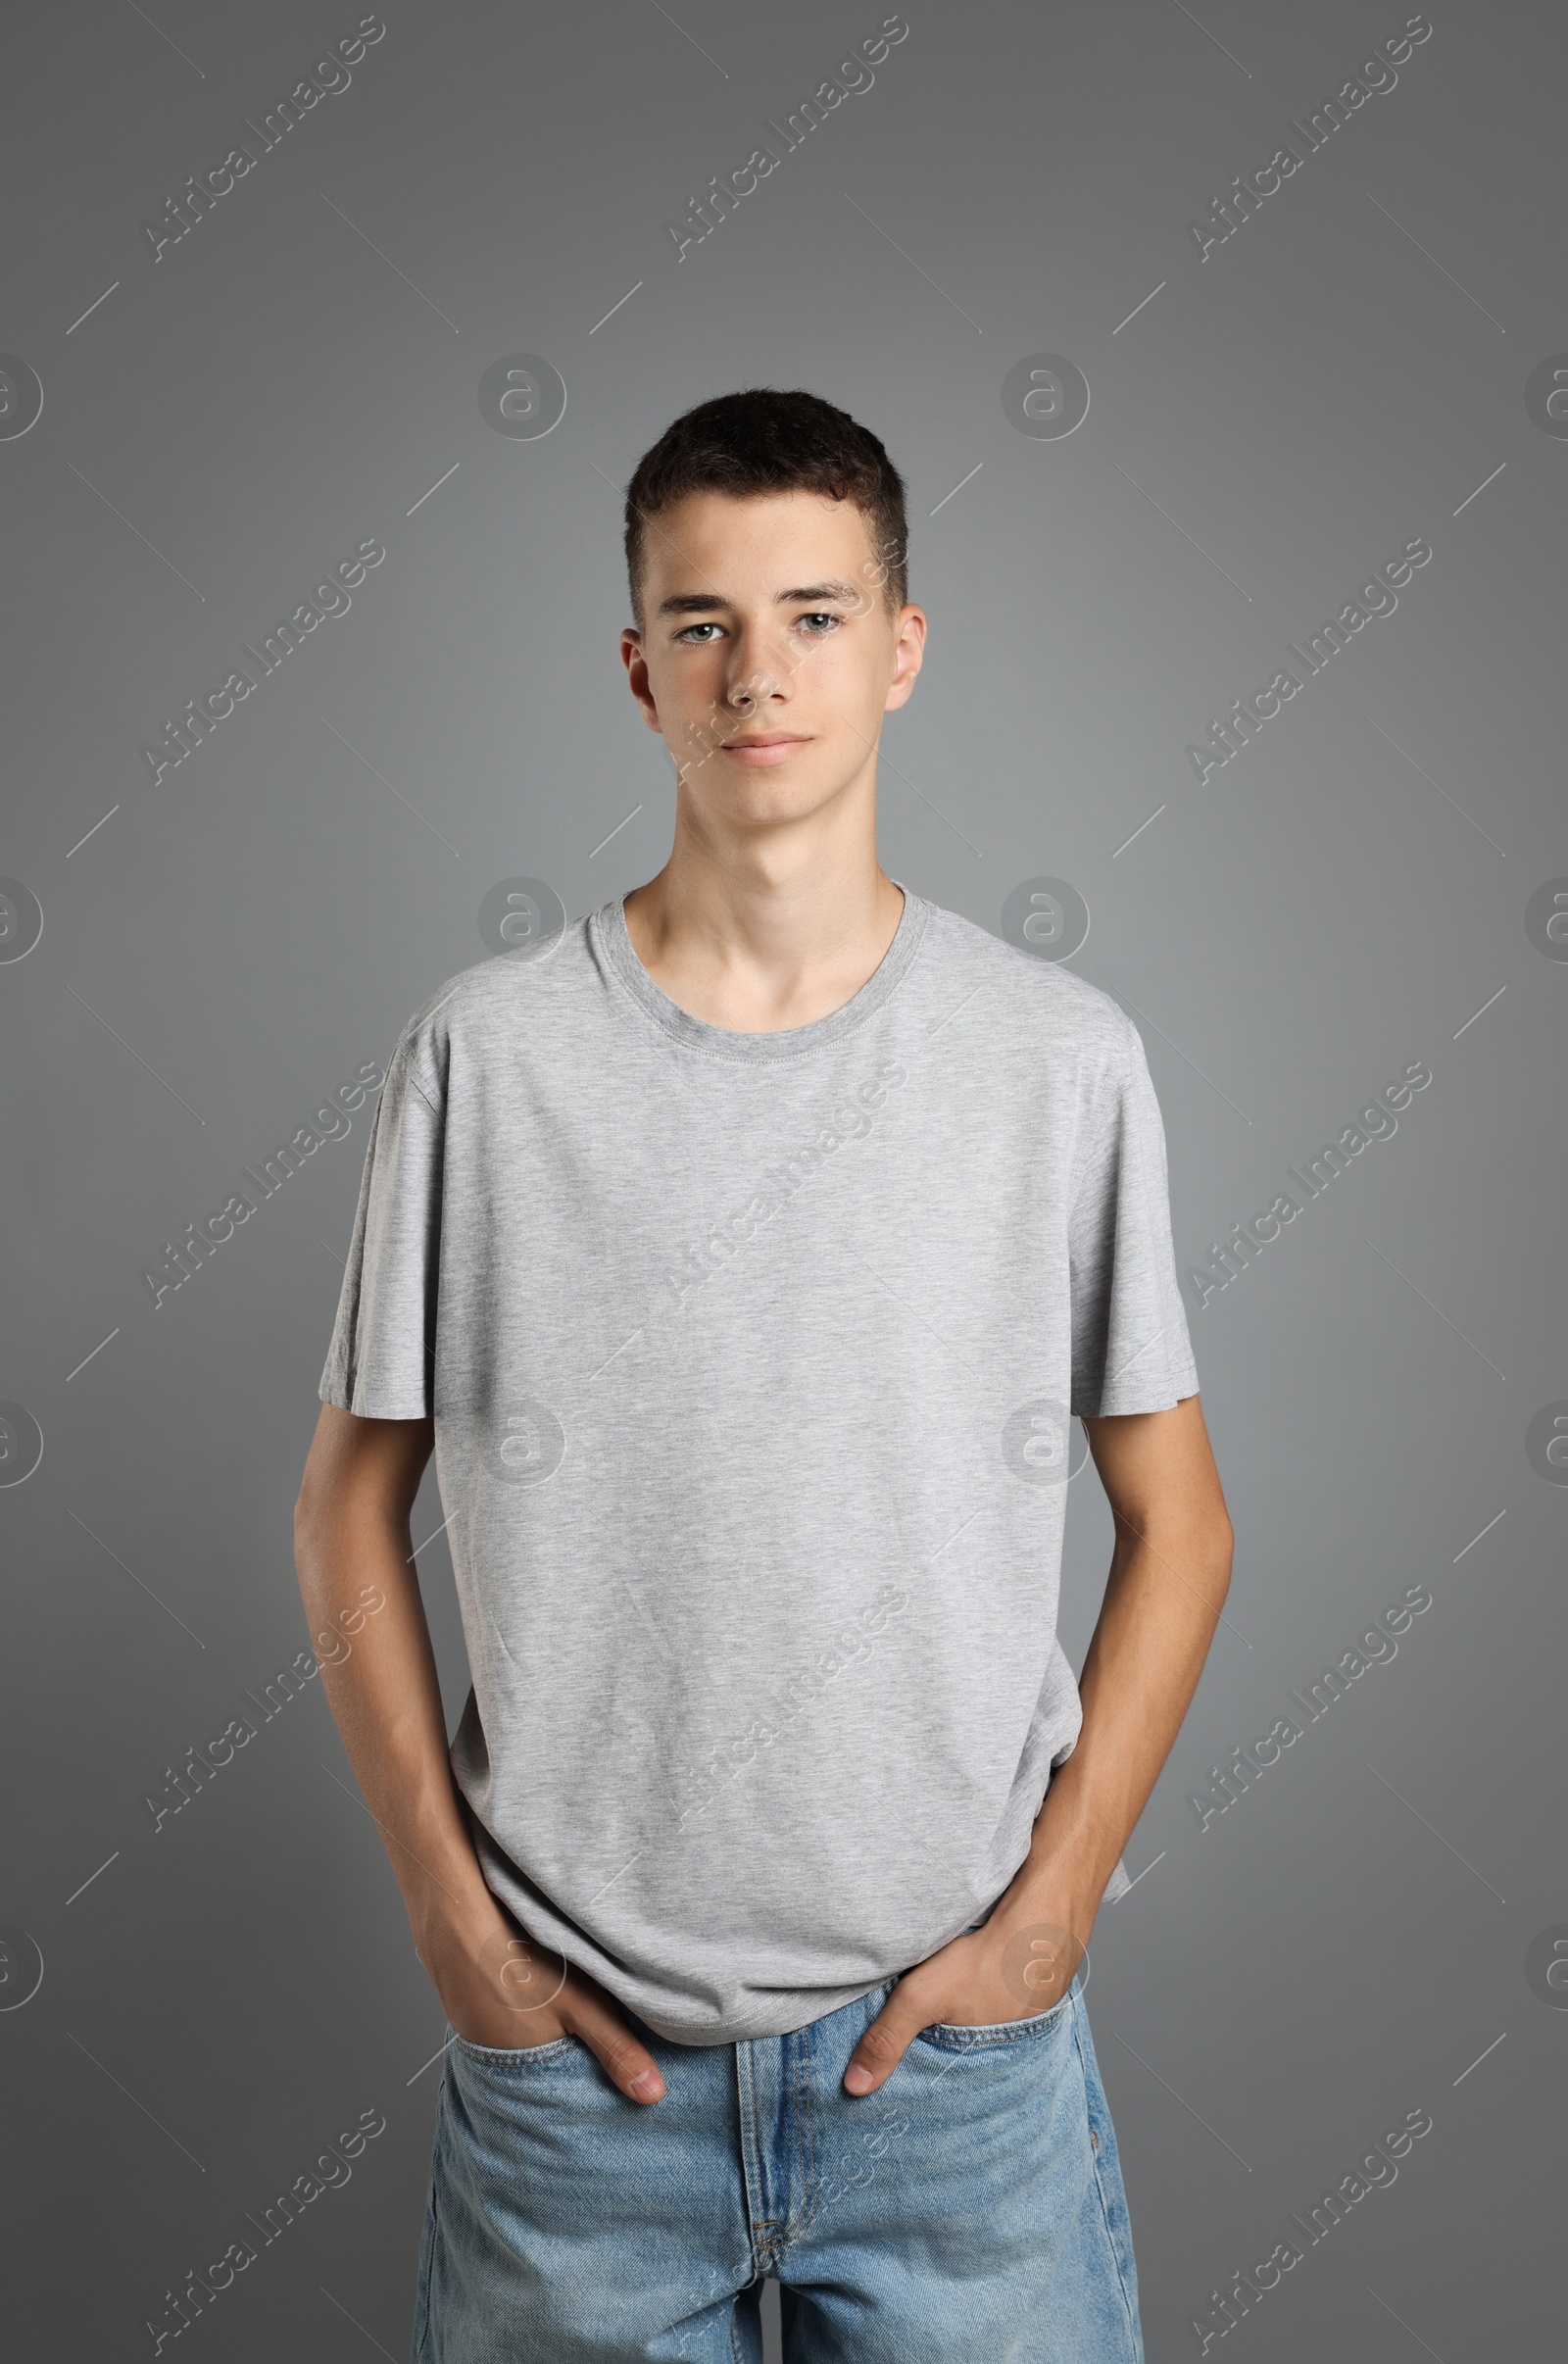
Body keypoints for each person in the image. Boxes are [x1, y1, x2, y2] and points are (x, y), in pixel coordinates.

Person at [294, 386, 1234, 2363]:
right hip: (579, 2098)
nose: (759, 674)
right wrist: (451, 1931)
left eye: (812, 615)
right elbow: (341, 1512)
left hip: (953, 2094)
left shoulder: (1055, 1062)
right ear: (638, 669)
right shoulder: (483, 1061)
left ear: (901, 646)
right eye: (705, 623)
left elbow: (1182, 1523)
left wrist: (1049, 1914)